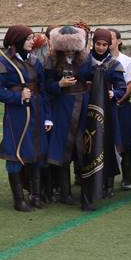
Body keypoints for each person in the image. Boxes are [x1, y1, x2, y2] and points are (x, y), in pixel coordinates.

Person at [0, 25, 53, 212]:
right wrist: (17, 97)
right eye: (28, 39)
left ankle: (35, 196)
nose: (32, 42)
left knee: (37, 152)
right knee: (15, 153)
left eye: (33, 38)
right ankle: (19, 200)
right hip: (17, 114)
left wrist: (48, 117)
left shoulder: (35, 60)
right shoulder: (4, 62)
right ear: (17, 40)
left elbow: (43, 89)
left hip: (38, 110)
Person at [44, 25, 92, 206]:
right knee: (64, 148)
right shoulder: (51, 59)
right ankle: (64, 193)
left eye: (73, 46)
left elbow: (94, 76)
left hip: (83, 105)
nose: (70, 50)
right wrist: (59, 85)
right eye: (66, 47)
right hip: (61, 107)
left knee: (83, 147)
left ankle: (86, 189)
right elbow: (46, 86)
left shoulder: (86, 58)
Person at [88, 28, 128, 201]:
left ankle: (109, 184)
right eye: (98, 44)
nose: (101, 47)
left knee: (109, 144)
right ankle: (91, 181)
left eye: (105, 44)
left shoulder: (114, 64)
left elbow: (122, 86)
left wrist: (115, 94)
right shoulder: (84, 61)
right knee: (91, 143)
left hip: (109, 111)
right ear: (93, 43)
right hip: (89, 111)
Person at [109, 29, 131, 191]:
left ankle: (127, 178)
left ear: (119, 41)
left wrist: (119, 99)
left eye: (111, 39)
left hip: (122, 106)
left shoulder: (127, 61)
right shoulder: (97, 60)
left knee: (126, 142)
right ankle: (108, 179)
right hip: (104, 107)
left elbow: (130, 84)